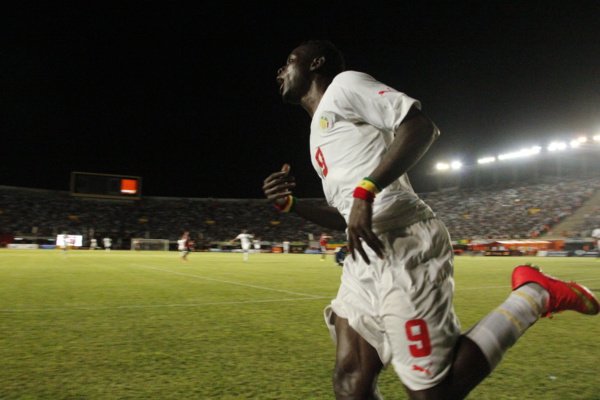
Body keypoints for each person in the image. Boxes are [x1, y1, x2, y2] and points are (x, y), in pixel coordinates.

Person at [263, 40, 600, 400]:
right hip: (365, 258)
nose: (280, 71)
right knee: (350, 384)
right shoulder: (319, 131)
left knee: (433, 393)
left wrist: (366, 190)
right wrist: (291, 205)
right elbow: (348, 217)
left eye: (289, 61)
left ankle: (535, 294)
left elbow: (421, 127)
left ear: (316, 63)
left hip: (404, 242)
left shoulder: (345, 85)